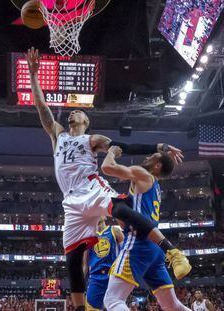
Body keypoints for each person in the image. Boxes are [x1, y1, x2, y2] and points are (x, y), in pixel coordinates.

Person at [26, 47, 191, 310]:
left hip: (90, 187)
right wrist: (34, 77)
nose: (71, 113)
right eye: (70, 113)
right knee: (72, 258)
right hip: (70, 201)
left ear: (86, 120)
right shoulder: (58, 135)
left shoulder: (92, 139)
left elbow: (123, 146)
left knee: (121, 209)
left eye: (77, 113)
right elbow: (41, 107)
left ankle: (170, 249)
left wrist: (158, 146)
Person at [102, 147, 192, 311]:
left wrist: (112, 152)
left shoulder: (141, 173)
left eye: (153, 156)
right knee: (172, 305)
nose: (148, 156)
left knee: (113, 300)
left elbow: (107, 168)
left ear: (157, 165)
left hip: (138, 243)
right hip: (155, 249)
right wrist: (166, 157)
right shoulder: (155, 185)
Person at [84, 217, 124, 310]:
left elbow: (126, 253)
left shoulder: (115, 231)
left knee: (116, 306)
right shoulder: (88, 237)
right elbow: (84, 264)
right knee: (90, 307)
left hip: (112, 276)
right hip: (95, 277)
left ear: (105, 216)